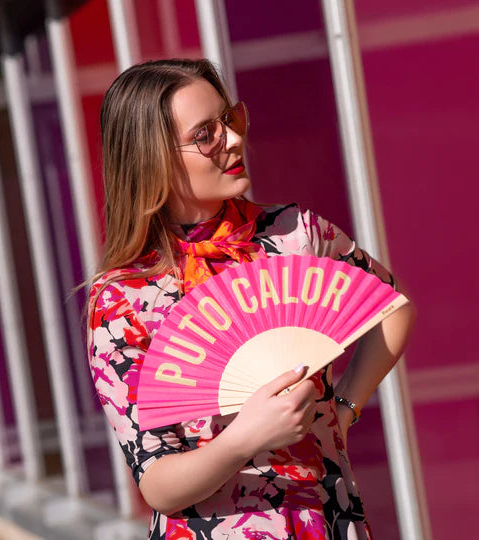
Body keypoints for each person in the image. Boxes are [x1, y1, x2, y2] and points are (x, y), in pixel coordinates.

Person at [87, 58, 415, 539]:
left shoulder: (294, 235)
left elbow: (391, 306)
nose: (234, 140)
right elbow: (157, 484)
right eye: (205, 135)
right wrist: (245, 439)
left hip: (326, 517)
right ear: (151, 157)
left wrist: (343, 409)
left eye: (229, 120)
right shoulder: (124, 299)